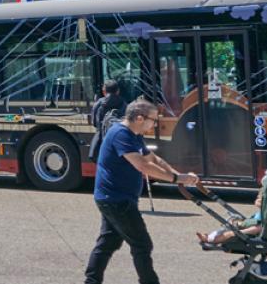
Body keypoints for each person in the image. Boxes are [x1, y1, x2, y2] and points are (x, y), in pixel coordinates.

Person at [84, 98, 199, 284]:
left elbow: (153, 159)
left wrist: (178, 175)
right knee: (142, 244)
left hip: (114, 198)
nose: (154, 124)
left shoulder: (133, 134)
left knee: (108, 243)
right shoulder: (121, 134)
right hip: (116, 200)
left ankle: (91, 281)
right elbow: (143, 166)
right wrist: (177, 179)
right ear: (139, 118)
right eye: (153, 120)